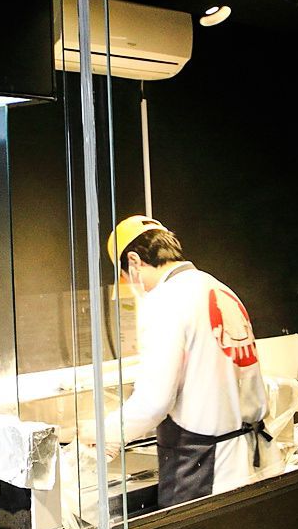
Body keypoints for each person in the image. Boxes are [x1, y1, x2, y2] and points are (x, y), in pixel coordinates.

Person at [101, 214, 274, 508]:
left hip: (205, 470)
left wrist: (106, 433)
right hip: (247, 457)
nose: (132, 287)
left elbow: (154, 402)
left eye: (126, 277)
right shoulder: (217, 287)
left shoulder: (164, 300)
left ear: (133, 261)